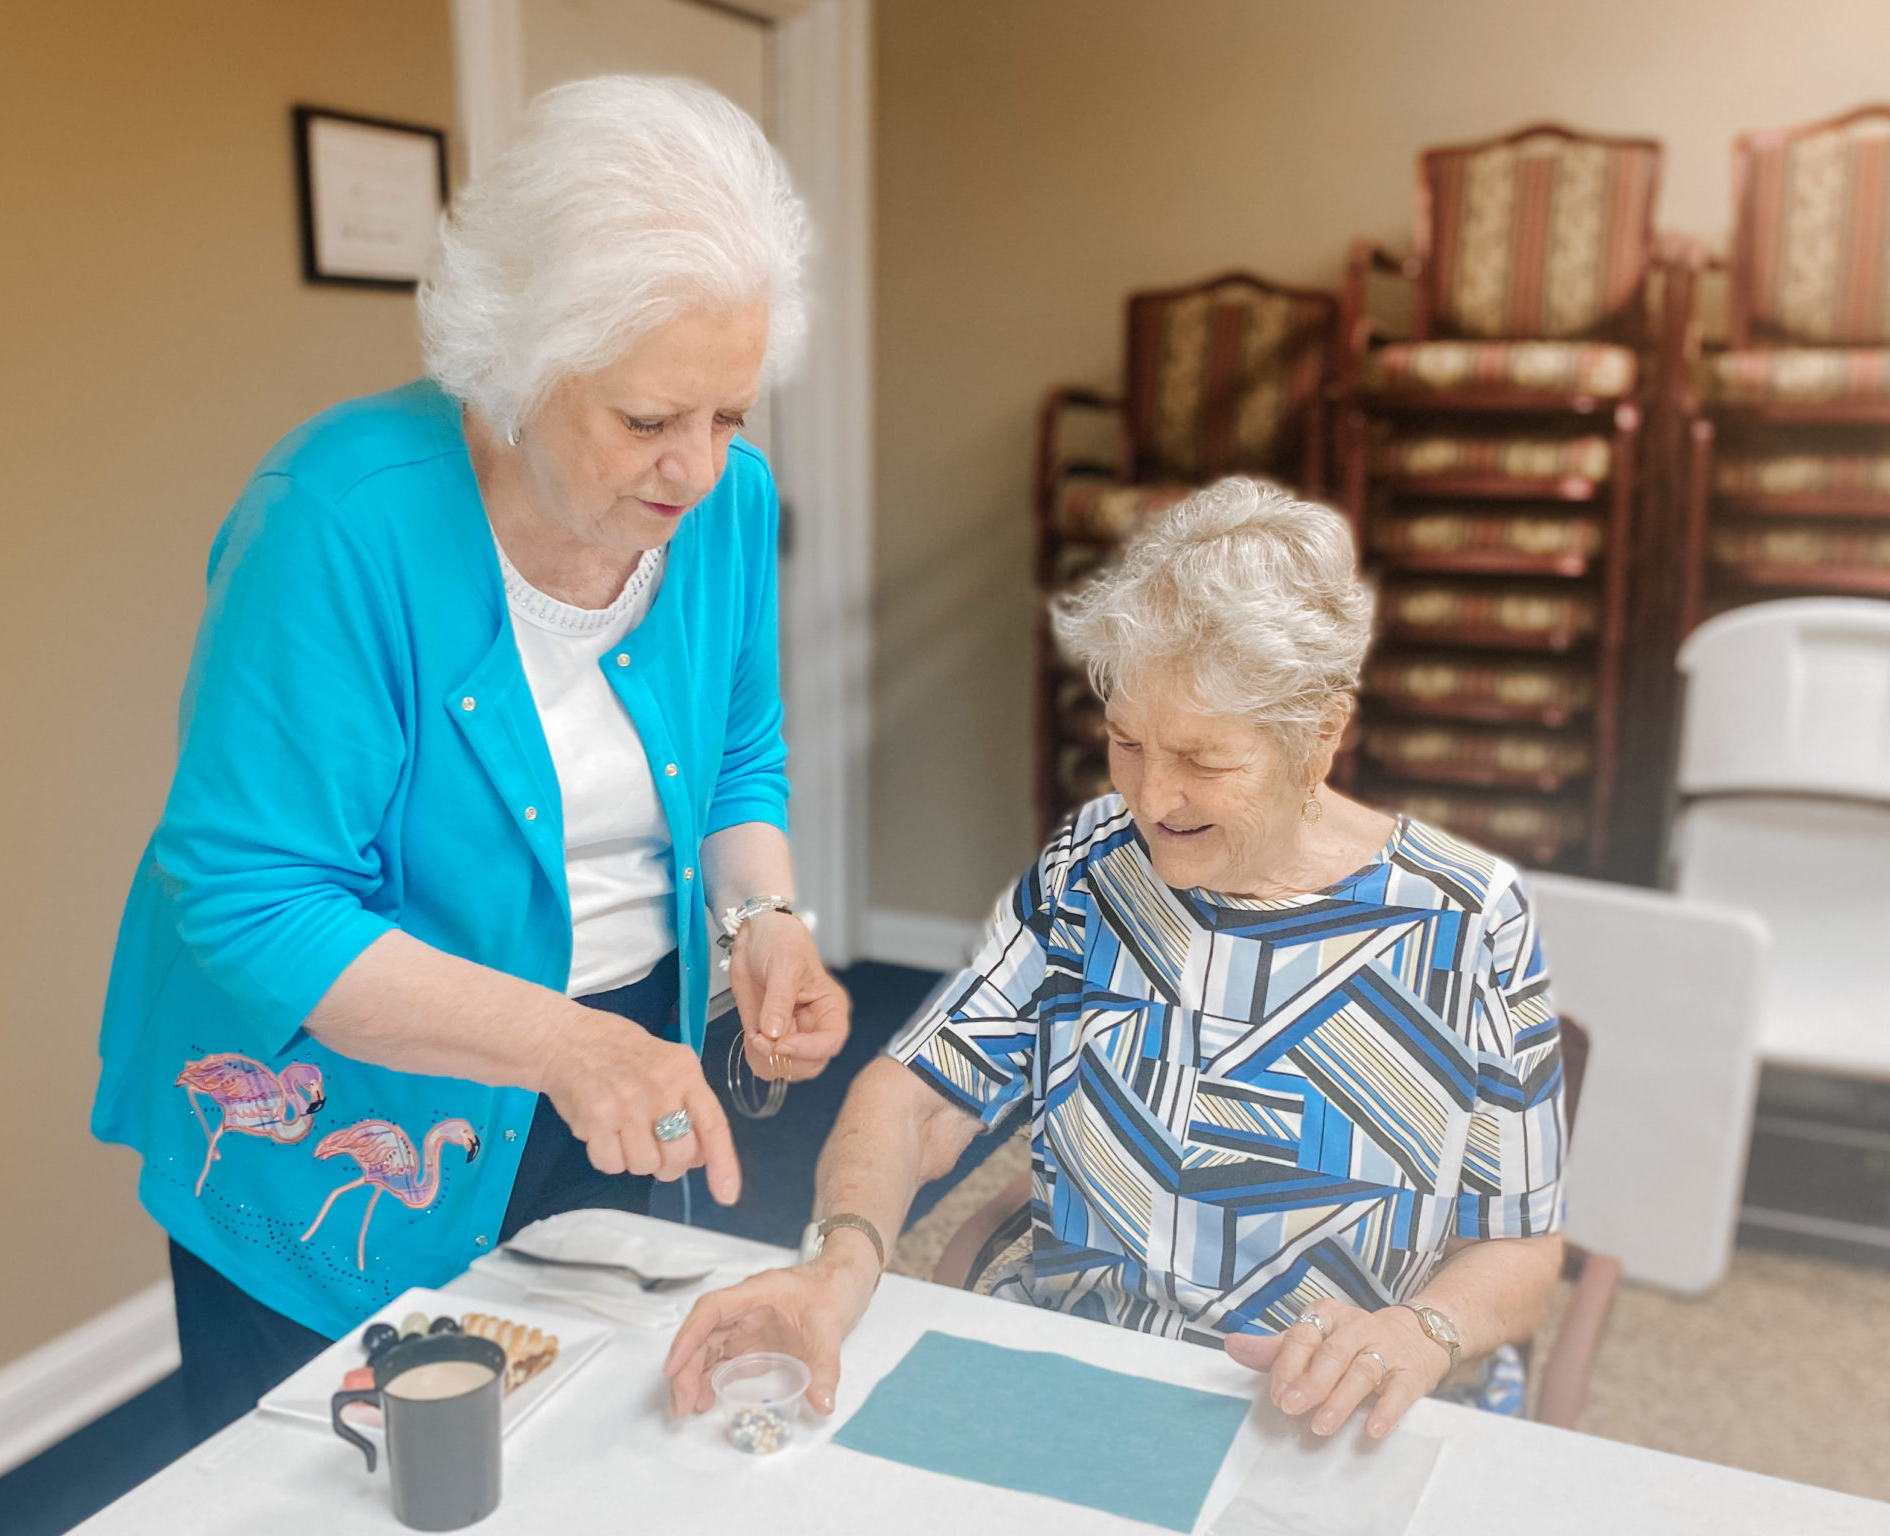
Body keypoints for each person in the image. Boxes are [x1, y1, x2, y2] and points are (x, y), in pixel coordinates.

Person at [93, 75, 849, 1440]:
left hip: (610, 1077)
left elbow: (738, 757)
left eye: (732, 414)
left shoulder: (727, 505)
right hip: (344, 1114)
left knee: (609, 1446)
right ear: (519, 364)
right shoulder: (337, 522)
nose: (699, 468)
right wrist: (562, 1045)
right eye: (648, 419)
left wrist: (765, 922)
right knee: (351, 1481)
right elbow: (255, 903)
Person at [666, 478, 1566, 1441]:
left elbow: (1519, 1249)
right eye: (1126, 742)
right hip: (1078, 1373)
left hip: (1311, 1411)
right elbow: (915, 1095)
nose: (1151, 796)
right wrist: (838, 1264)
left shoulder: (1465, 920)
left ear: (1321, 734)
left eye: (1205, 759)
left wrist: (1419, 1331)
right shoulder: (1093, 867)